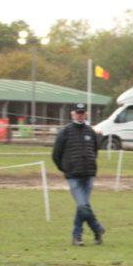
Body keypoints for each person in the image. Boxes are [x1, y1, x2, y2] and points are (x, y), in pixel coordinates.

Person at [52, 102, 104, 246]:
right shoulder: (65, 132)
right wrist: (65, 169)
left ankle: (79, 236)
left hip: (88, 175)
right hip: (73, 175)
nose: (80, 115)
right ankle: (97, 228)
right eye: (78, 112)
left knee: (83, 206)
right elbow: (56, 154)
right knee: (82, 206)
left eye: (82, 112)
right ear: (72, 114)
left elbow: (94, 151)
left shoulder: (90, 131)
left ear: (85, 114)